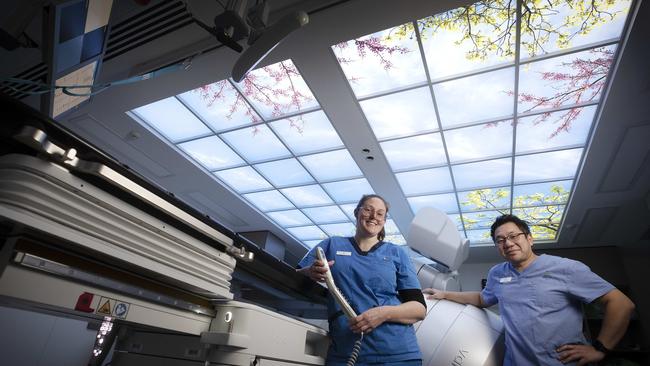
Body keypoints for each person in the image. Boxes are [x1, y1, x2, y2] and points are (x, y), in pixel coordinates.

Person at [423, 214, 635, 366]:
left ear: (529, 238)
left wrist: (600, 349)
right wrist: (444, 294)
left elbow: (621, 303)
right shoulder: (497, 273)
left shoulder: (565, 268)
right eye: (500, 240)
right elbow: (481, 298)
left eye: (514, 236)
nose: (508, 243)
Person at [297, 194, 426, 365]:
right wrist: (310, 271)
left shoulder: (397, 253)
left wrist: (383, 313)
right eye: (368, 210)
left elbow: (418, 309)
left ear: (384, 221)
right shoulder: (332, 245)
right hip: (345, 352)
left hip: (397, 354)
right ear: (357, 212)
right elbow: (296, 275)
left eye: (380, 214)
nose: (374, 216)